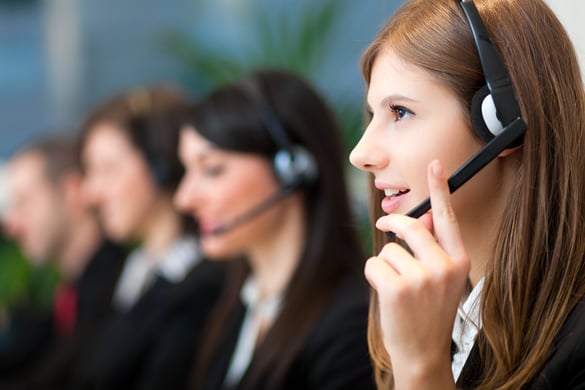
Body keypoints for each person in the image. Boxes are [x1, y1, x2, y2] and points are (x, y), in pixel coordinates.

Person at [349, 0, 585, 388]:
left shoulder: (574, 351)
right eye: (373, 115)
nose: (360, 154)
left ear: (502, 120)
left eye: (400, 112)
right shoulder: (428, 311)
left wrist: (422, 367)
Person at [174, 69, 375, 390]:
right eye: (187, 171)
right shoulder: (238, 303)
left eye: (212, 170)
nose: (184, 198)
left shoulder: (349, 325)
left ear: (293, 170)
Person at [74, 84, 224, 390]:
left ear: (160, 167)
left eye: (109, 169)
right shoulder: (128, 270)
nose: (92, 192)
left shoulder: (200, 287)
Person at [0, 134, 128, 389]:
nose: (12, 225)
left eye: (25, 202)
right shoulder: (72, 293)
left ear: (72, 191)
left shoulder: (119, 292)